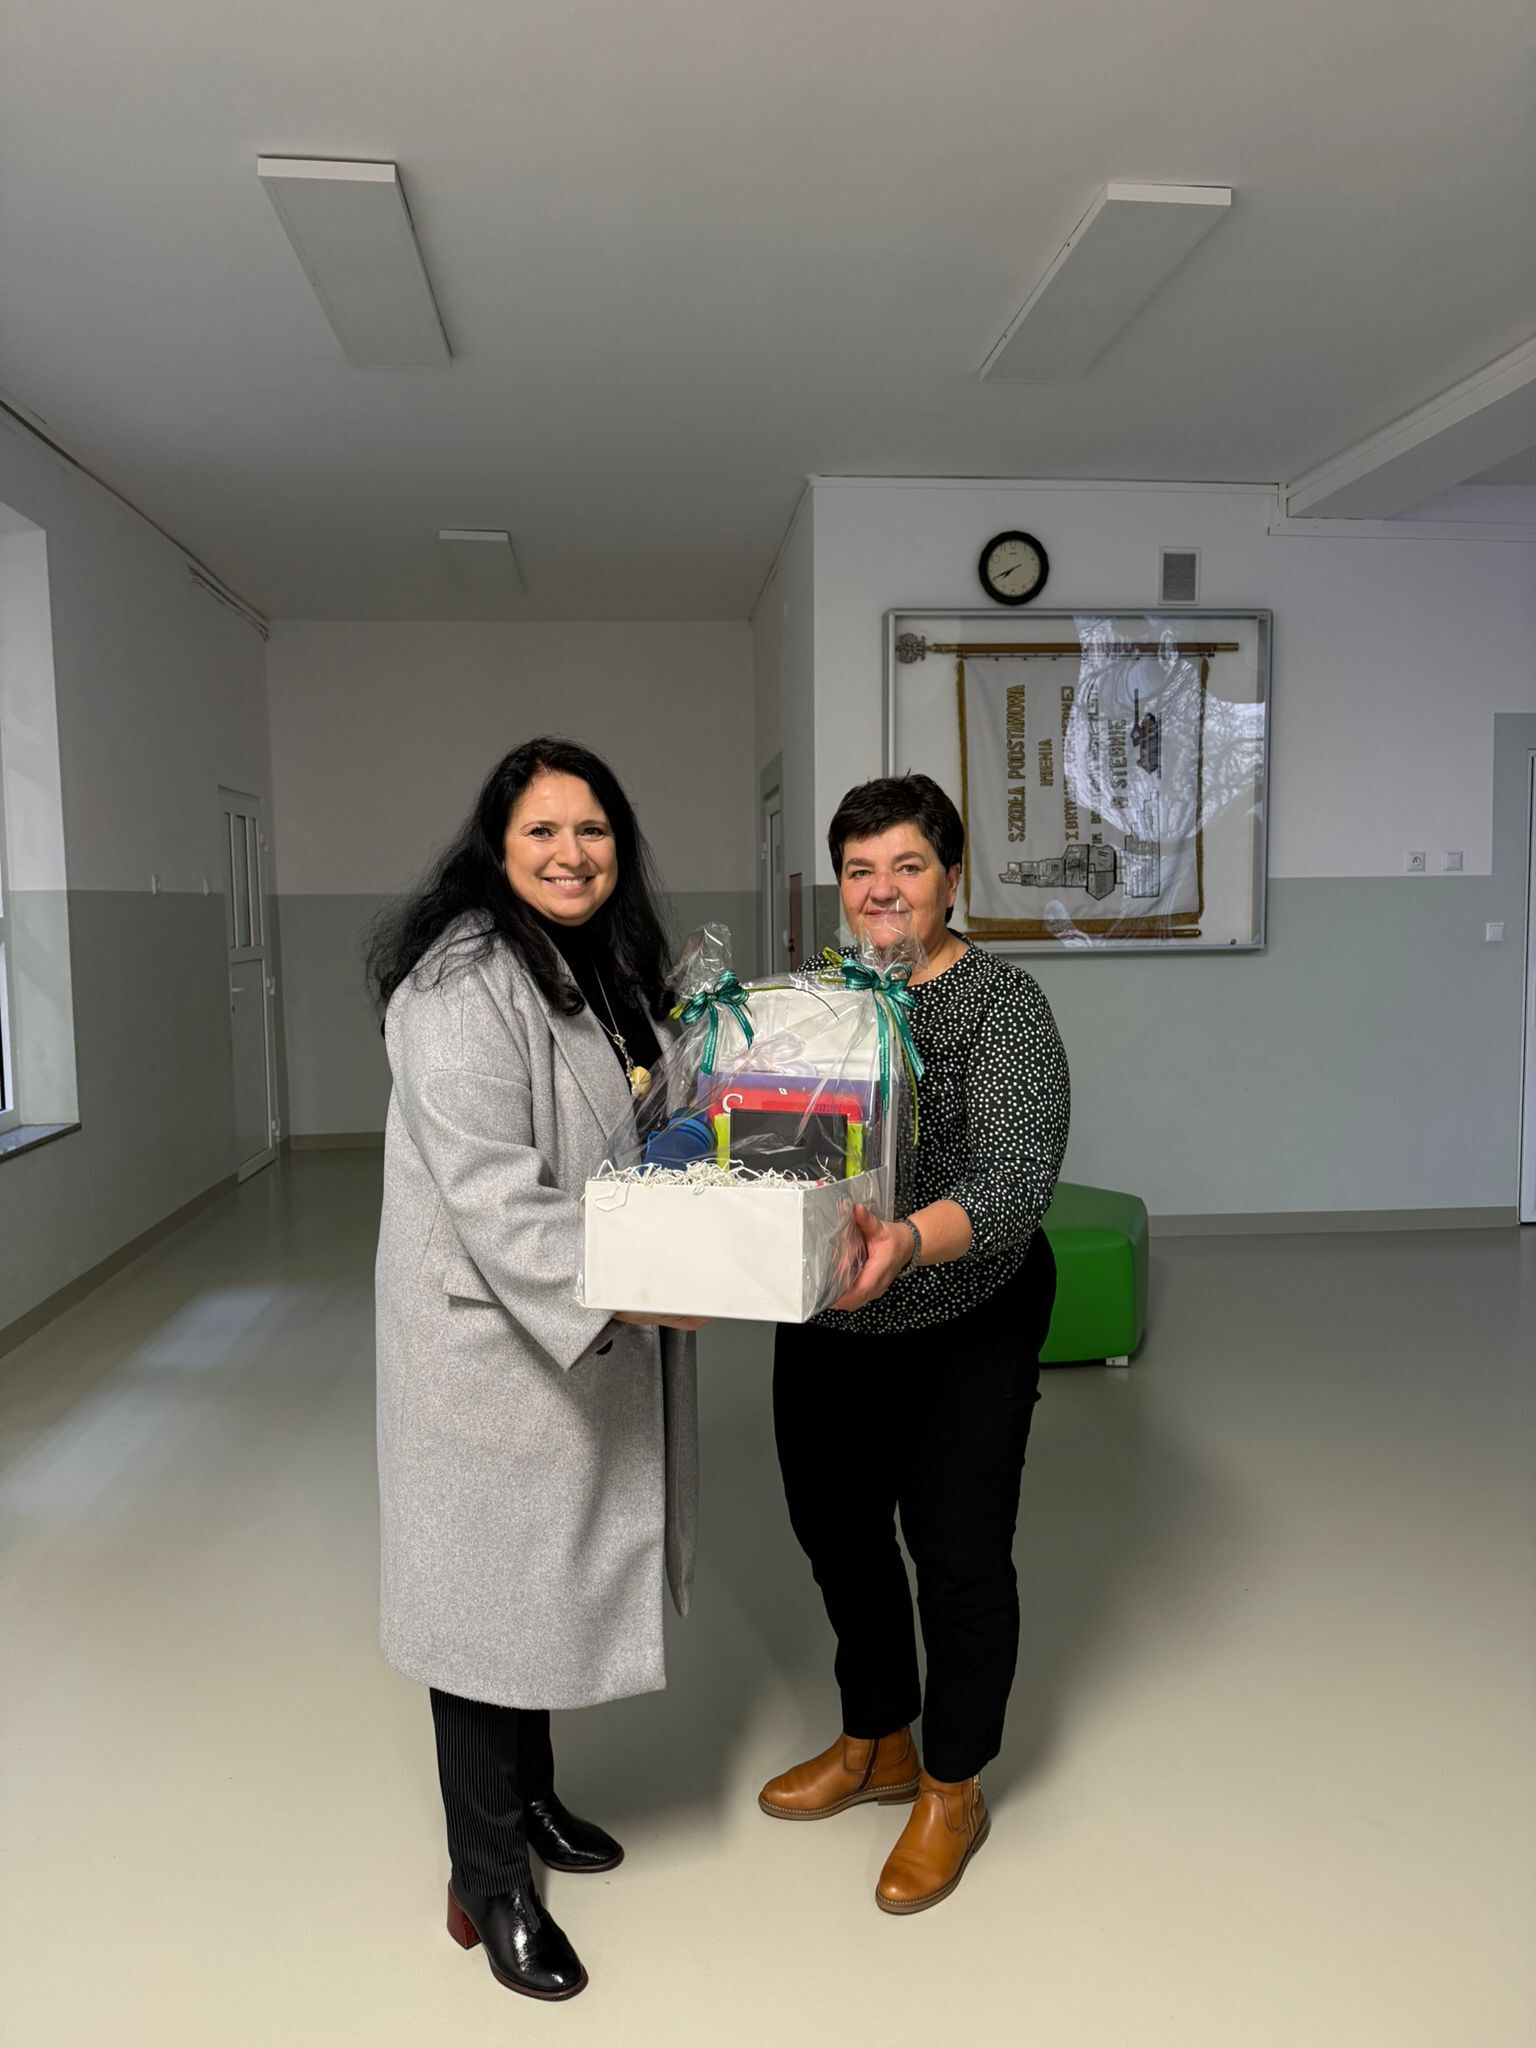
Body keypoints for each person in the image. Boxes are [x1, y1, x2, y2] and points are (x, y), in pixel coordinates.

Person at [369, 737, 703, 2002]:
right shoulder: (459, 982)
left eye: (594, 830)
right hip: (488, 1343)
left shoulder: (601, 961)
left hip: (567, 1326)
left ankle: (536, 1798)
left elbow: (653, 1102)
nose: (573, 854)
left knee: (542, 1578)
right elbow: (497, 1196)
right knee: (483, 1605)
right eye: (544, 833)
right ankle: (488, 1877)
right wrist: (641, 1281)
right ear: (496, 849)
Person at [758, 773, 1070, 1914]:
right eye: (860, 869)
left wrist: (905, 1240)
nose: (881, 889)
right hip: (835, 1311)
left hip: (966, 1308)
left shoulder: (1003, 1006)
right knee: (838, 1534)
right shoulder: (823, 997)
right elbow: (774, 1136)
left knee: (959, 1554)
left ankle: (952, 1781)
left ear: (951, 877)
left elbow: (1015, 1179)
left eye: (907, 865)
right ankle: (878, 1738)